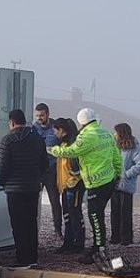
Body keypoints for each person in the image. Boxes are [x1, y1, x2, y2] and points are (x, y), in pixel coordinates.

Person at [49, 108, 122, 264]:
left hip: (95, 183)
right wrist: (118, 174)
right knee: (98, 216)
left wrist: (53, 150)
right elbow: (116, 156)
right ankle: (98, 246)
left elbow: (73, 151)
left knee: (95, 217)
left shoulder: (86, 135)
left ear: (81, 121)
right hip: (108, 181)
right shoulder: (106, 133)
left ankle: (99, 249)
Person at [0, 108, 49, 270]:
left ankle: (22, 258)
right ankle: (33, 258)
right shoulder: (37, 138)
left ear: (11, 122)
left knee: (18, 224)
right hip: (33, 187)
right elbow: (45, 163)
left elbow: (2, 167)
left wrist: (3, 182)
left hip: (14, 189)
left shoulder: (7, 140)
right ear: (25, 121)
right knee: (31, 223)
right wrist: (36, 178)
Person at [51, 118, 85, 253]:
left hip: (74, 185)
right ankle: (68, 243)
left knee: (75, 214)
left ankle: (79, 244)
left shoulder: (72, 144)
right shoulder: (63, 144)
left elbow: (76, 165)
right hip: (65, 186)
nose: (54, 134)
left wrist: (73, 178)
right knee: (67, 215)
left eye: (55, 131)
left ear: (61, 130)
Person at [111, 122, 140, 245]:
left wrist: (126, 174)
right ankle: (115, 237)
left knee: (125, 214)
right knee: (114, 213)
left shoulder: (135, 149)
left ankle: (126, 238)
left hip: (126, 186)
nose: (114, 135)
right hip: (115, 184)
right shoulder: (115, 148)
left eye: (115, 132)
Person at [30, 103, 63, 237]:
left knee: (54, 200)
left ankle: (58, 229)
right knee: (33, 200)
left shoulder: (56, 128)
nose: (39, 118)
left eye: (42, 115)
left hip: (51, 169)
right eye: (37, 116)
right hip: (37, 169)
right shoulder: (33, 128)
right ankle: (33, 229)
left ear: (48, 114)